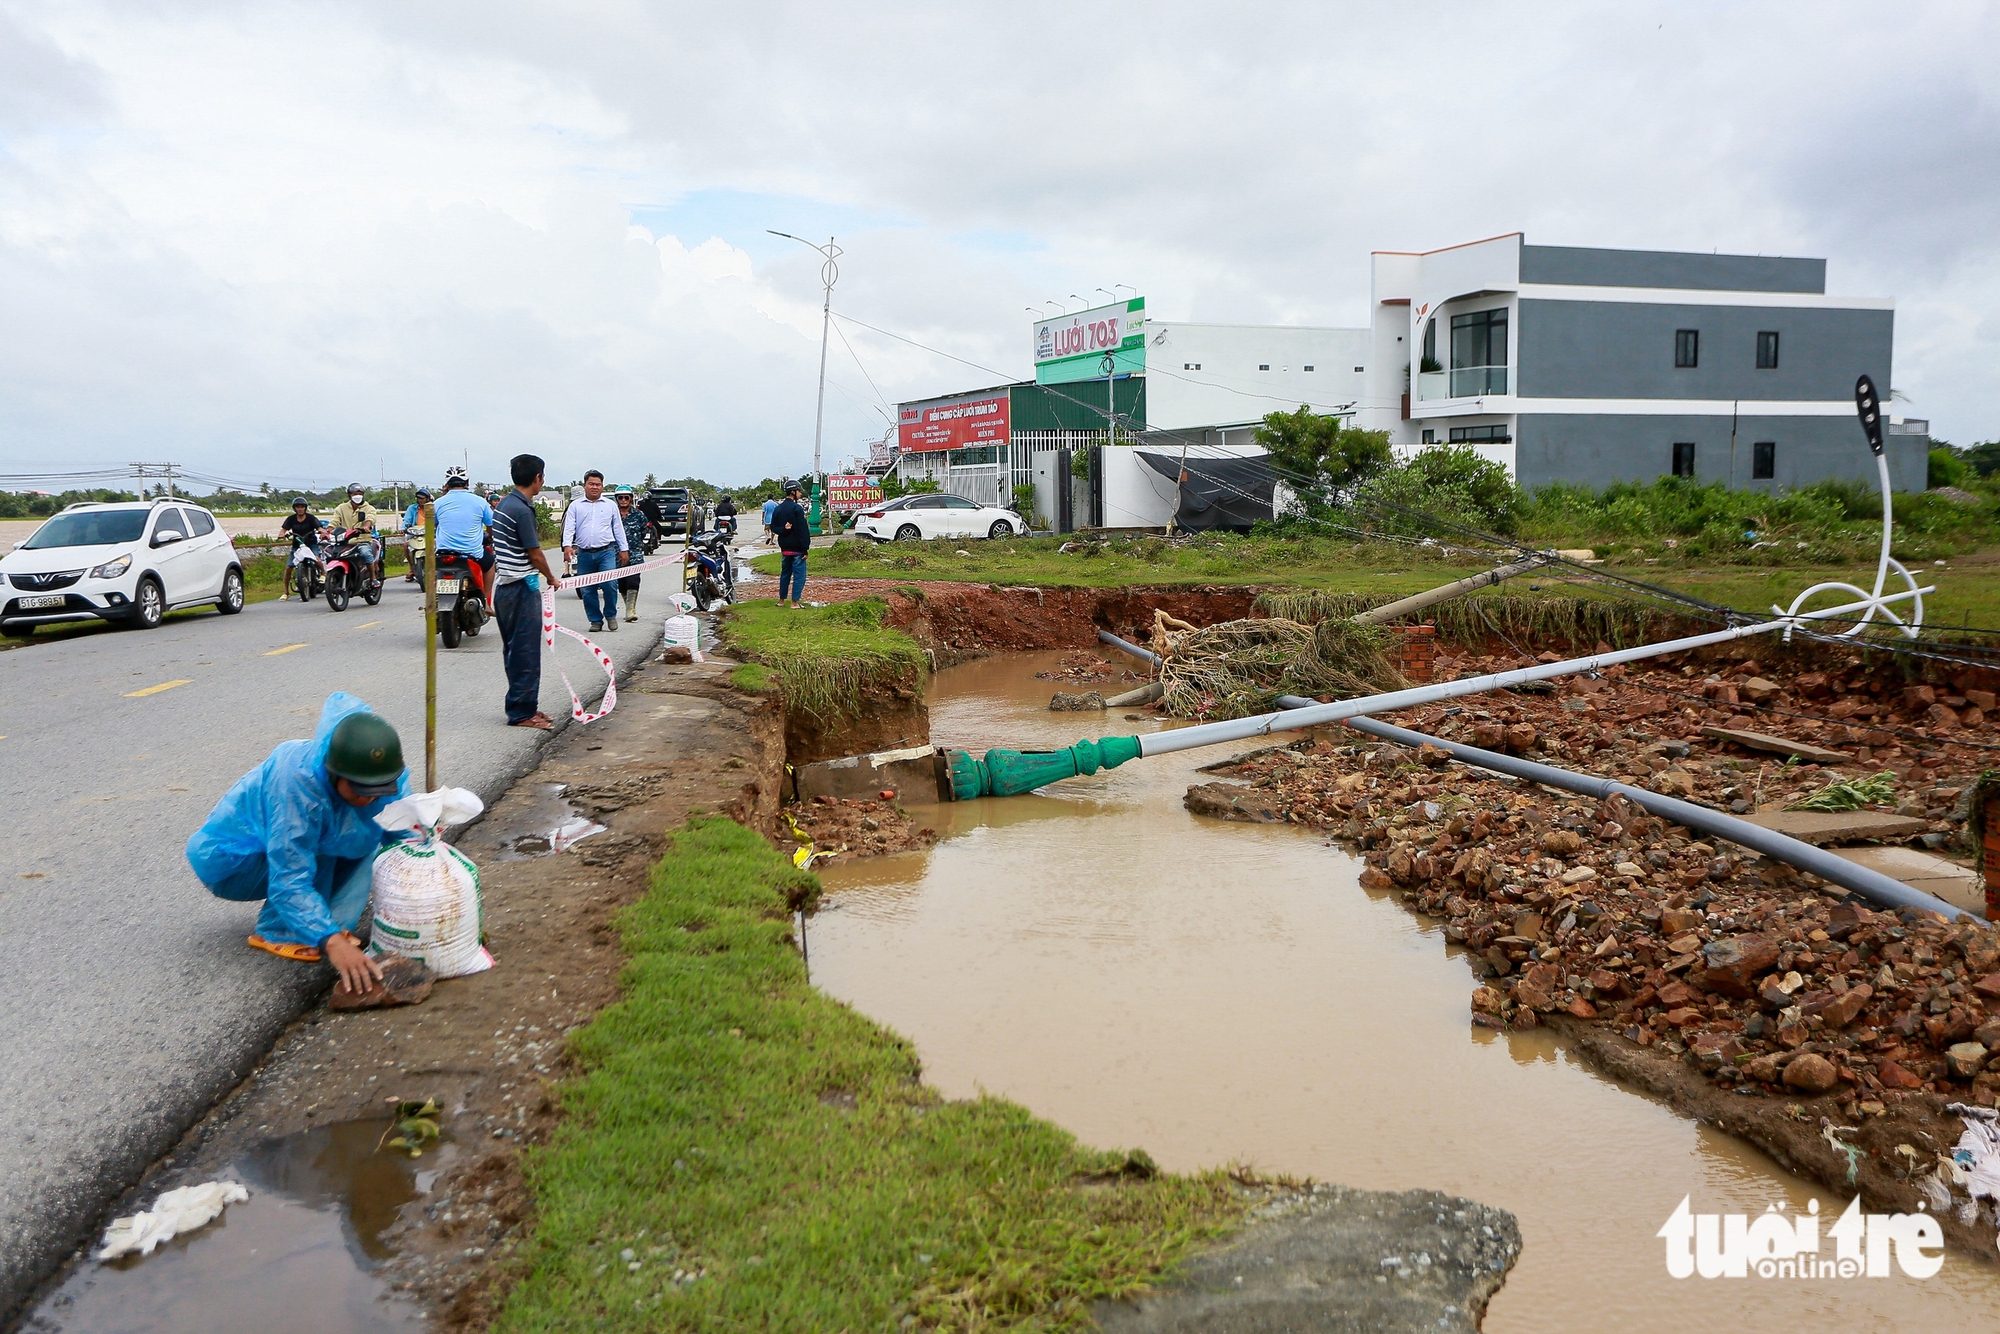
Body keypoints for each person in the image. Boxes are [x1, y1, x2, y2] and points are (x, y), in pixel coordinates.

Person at [185, 692, 410, 997]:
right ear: (335, 773)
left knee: (363, 840)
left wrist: (429, 870)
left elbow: (403, 829)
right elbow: (290, 875)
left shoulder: (382, 776)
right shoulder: (296, 783)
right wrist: (331, 941)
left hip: (296, 854)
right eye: (360, 790)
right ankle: (281, 929)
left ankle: (325, 922)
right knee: (321, 846)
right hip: (233, 861)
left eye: (377, 790)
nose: (370, 798)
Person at [492, 454, 562, 729]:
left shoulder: (505, 505)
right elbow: (535, 554)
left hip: (505, 590)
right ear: (538, 478)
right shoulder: (522, 510)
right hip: (520, 589)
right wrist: (552, 577)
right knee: (525, 652)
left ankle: (524, 704)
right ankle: (522, 713)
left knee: (514, 651)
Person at [560, 469, 629, 633]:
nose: (595, 487)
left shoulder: (610, 505)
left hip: (606, 552)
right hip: (584, 554)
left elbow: (618, 528)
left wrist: (624, 549)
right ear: (585, 485)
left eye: (598, 484)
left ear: (602, 487)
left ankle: (611, 615)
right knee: (587, 589)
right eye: (591, 484)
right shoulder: (575, 506)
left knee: (610, 584)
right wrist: (567, 545)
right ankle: (595, 620)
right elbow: (569, 528)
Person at [432, 466, 493, 580]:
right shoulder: (480, 502)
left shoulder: (437, 503)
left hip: (442, 553)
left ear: (447, 484)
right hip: (473, 554)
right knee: (490, 564)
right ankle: (485, 596)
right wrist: (489, 536)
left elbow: (434, 525)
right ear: (467, 483)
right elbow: (491, 525)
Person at [613, 486, 655, 624]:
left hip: (635, 553)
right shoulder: (612, 514)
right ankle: (627, 606)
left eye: (626, 497)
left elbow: (645, 530)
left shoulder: (638, 515)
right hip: (616, 554)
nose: (624, 500)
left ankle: (631, 610)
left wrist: (640, 543)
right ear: (617, 499)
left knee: (633, 580)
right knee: (622, 583)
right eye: (621, 497)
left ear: (631, 498)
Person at [331, 484, 384, 586]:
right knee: (329, 553)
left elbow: (370, 518)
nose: (358, 496)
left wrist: (366, 526)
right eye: (355, 494)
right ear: (349, 495)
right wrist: (328, 530)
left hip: (362, 540)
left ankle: (373, 578)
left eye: (360, 494)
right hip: (344, 541)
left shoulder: (369, 508)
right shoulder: (341, 508)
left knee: (366, 554)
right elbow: (335, 521)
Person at [772, 479, 810, 608]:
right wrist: (805, 549)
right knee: (799, 576)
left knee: (785, 575)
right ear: (793, 492)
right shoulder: (797, 509)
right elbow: (802, 530)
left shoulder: (778, 509)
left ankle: (781, 601)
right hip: (797, 550)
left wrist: (784, 530)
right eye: (799, 491)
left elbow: (773, 527)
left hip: (785, 549)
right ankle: (794, 602)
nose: (800, 493)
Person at [279, 498, 322, 601]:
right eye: (297, 507)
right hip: (297, 545)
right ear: (294, 508)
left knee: (316, 559)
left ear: (305, 508)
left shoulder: (311, 518)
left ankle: (324, 574)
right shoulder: (291, 519)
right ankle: (286, 592)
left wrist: (322, 531)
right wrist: (282, 534)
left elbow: (319, 527)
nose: (300, 509)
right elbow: (284, 529)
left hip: (311, 544)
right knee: (289, 567)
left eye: (302, 507)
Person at [401, 489, 432, 582]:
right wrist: (403, 528)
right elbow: (407, 520)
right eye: (419, 498)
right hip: (415, 533)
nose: (420, 500)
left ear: (427, 499)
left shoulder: (432, 508)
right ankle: (412, 569)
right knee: (406, 545)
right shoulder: (412, 508)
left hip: (430, 533)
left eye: (422, 498)